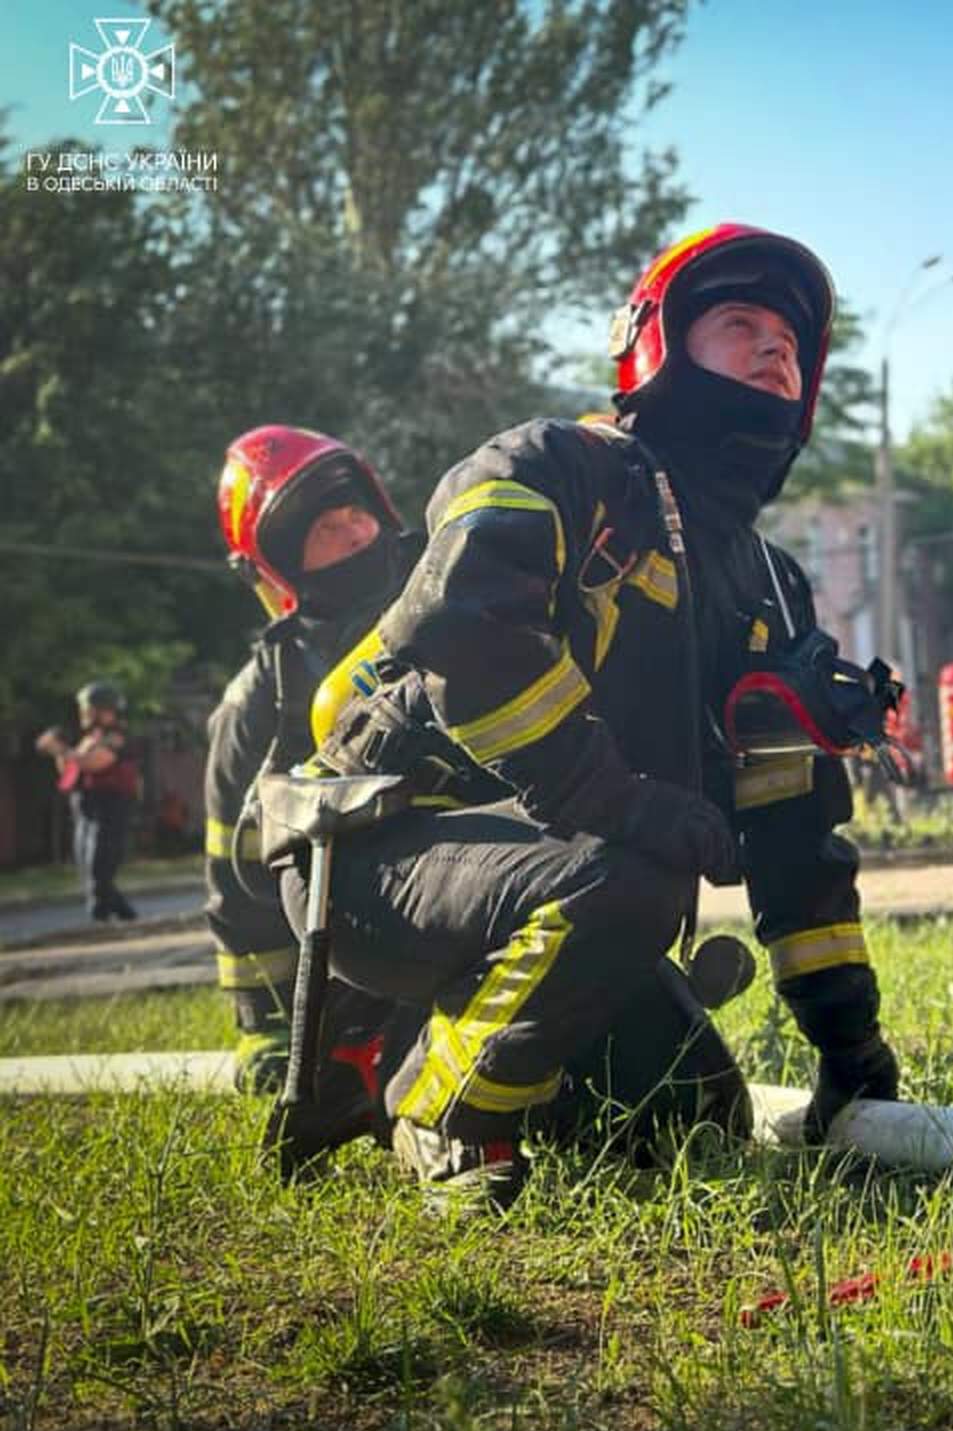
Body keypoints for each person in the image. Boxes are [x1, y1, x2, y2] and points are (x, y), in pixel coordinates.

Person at [290, 222, 900, 1210]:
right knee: (629, 882)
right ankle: (442, 1112)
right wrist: (607, 793)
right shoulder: (558, 467)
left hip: (568, 881)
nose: (772, 348)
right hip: (380, 859)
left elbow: (796, 838)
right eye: (738, 323)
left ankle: (453, 1058)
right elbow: (461, 620)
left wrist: (850, 1043)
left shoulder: (770, 586)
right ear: (655, 347)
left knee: (692, 1114)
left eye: (789, 343)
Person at [204, 426, 421, 1095]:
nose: (356, 534)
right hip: (352, 947)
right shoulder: (262, 699)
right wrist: (263, 1026)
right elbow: (237, 875)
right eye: (328, 528)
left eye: (358, 513)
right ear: (280, 568)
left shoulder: (449, 607)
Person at [36, 681, 142, 922]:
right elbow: (69, 769)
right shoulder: (89, 738)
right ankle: (116, 917)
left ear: (105, 710)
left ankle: (110, 916)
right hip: (85, 808)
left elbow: (93, 762)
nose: (83, 714)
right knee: (86, 870)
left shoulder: (117, 737)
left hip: (109, 809)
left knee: (98, 871)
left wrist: (61, 749)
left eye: (89, 709)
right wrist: (58, 750)